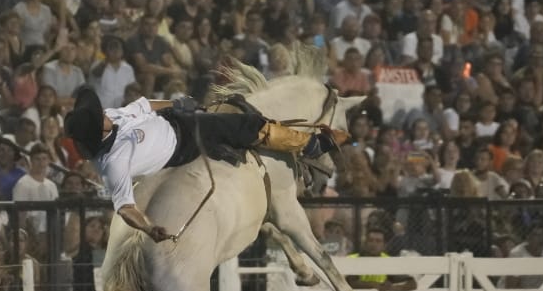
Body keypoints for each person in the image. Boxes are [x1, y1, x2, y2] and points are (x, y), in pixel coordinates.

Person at [64, 87, 349, 242]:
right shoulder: (113, 163)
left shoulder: (112, 117)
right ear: (97, 130)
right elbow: (125, 207)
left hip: (174, 122)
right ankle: (311, 145)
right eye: (97, 115)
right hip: (182, 144)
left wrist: (174, 104)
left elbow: (145, 105)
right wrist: (150, 228)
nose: (102, 111)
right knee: (247, 124)